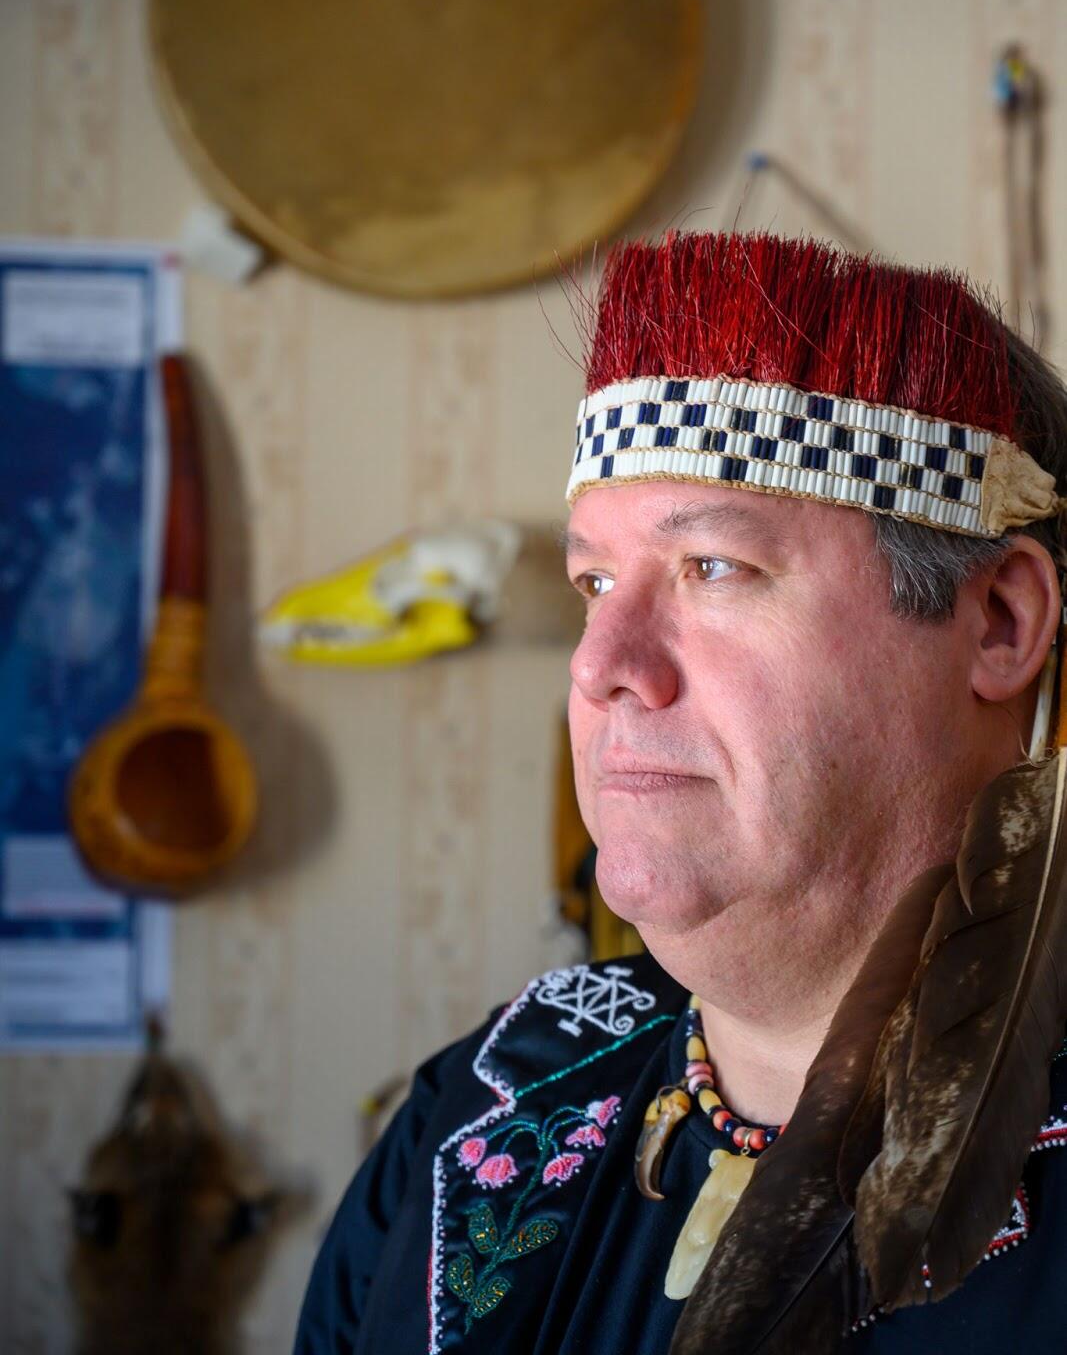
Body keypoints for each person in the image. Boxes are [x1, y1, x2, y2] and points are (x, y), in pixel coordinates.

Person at [294, 233, 1067, 1354]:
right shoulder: (474, 1117)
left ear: (996, 621)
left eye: (712, 567)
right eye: (593, 581)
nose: (600, 660)